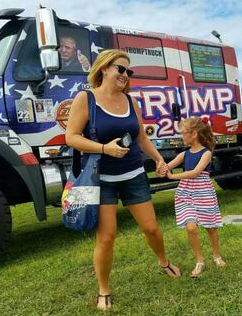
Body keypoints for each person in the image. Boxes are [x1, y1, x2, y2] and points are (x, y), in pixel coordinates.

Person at [65, 49, 181, 310]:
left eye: (129, 72)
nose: (125, 75)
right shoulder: (86, 98)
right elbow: (71, 137)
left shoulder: (131, 101)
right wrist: (105, 148)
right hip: (101, 179)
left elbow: (141, 137)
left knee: (152, 228)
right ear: (104, 68)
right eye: (121, 69)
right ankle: (103, 289)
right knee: (106, 238)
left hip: (134, 174)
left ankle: (163, 261)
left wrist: (159, 159)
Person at [165, 117, 225, 277]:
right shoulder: (184, 154)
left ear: (194, 134)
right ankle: (200, 261)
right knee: (191, 227)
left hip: (203, 191)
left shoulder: (206, 153)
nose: (181, 136)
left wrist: (172, 177)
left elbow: (195, 172)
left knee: (210, 228)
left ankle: (216, 255)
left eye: (183, 133)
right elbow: (168, 165)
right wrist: (162, 167)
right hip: (186, 193)